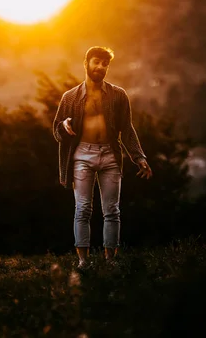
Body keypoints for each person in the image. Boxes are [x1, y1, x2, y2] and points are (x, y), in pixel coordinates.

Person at [52, 46, 152, 268]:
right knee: (83, 208)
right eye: (96, 62)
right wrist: (64, 125)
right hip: (82, 155)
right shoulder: (70, 97)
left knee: (112, 210)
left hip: (110, 154)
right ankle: (83, 261)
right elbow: (56, 131)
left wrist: (139, 157)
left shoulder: (118, 95)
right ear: (86, 63)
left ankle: (110, 260)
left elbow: (127, 129)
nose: (101, 67)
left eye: (105, 64)